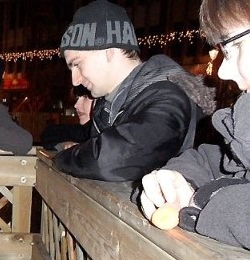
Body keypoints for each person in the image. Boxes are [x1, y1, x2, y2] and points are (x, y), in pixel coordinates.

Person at [55, 0, 216, 182]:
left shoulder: (168, 96)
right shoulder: (110, 103)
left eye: (77, 64)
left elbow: (112, 160)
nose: (75, 80)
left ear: (108, 50)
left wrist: (64, 157)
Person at [139, 0, 250, 249]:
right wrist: (179, 178)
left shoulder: (166, 98)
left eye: (233, 47)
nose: (222, 71)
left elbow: (122, 156)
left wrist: (201, 201)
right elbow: (222, 161)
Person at [41, 85, 94, 151]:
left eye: (85, 97)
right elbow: (49, 134)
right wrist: (64, 144)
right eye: (77, 98)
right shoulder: (85, 131)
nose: (76, 105)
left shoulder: (107, 135)